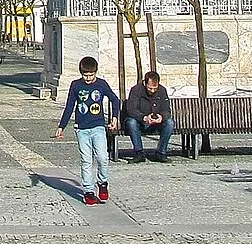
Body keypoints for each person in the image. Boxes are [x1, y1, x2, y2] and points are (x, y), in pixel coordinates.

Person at [55, 54, 120, 205]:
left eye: (91, 75)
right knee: (86, 160)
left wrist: (115, 118)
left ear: (96, 73)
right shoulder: (76, 85)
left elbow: (115, 100)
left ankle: (102, 183)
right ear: (81, 73)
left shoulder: (102, 84)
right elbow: (70, 106)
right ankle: (88, 191)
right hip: (82, 129)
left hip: (98, 127)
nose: (88, 78)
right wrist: (61, 126)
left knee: (103, 158)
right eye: (85, 75)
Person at [123, 69, 175, 160]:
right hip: (140, 122)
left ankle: (161, 152)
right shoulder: (136, 90)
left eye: (155, 88)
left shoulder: (162, 90)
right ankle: (139, 152)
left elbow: (167, 109)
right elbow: (131, 110)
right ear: (144, 83)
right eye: (150, 88)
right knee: (131, 122)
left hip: (156, 122)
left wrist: (162, 117)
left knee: (170, 123)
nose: (152, 91)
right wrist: (143, 118)